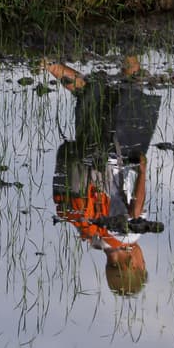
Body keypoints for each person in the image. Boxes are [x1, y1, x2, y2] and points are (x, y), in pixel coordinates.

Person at [47, 56, 161, 297]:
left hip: (114, 151)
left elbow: (135, 210)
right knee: (87, 94)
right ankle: (47, 62)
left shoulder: (130, 235)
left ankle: (131, 45)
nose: (143, 259)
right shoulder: (94, 237)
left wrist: (142, 170)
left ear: (134, 265)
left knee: (132, 88)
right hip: (87, 154)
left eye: (143, 264)